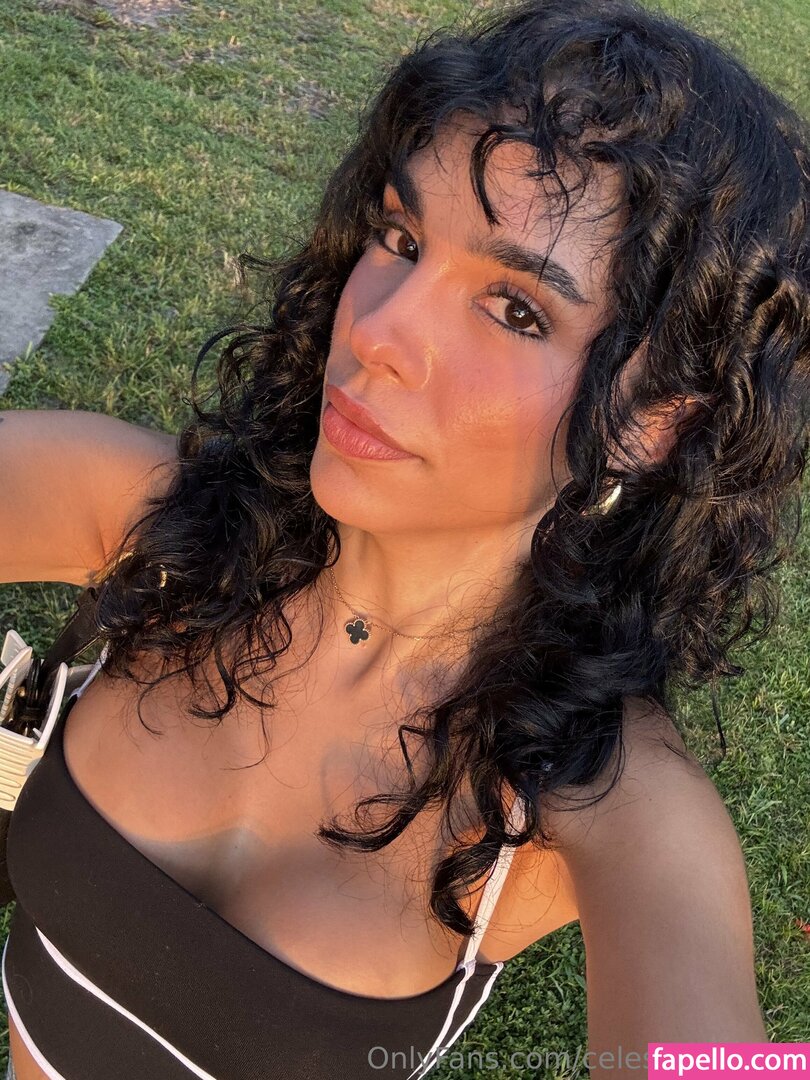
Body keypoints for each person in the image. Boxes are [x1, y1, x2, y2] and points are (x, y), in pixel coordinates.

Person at [1, 0, 808, 1076]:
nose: (378, 332)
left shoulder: (607, 800)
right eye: (401, 238)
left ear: (652, 421)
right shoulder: (147, 521)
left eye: (516, 310)